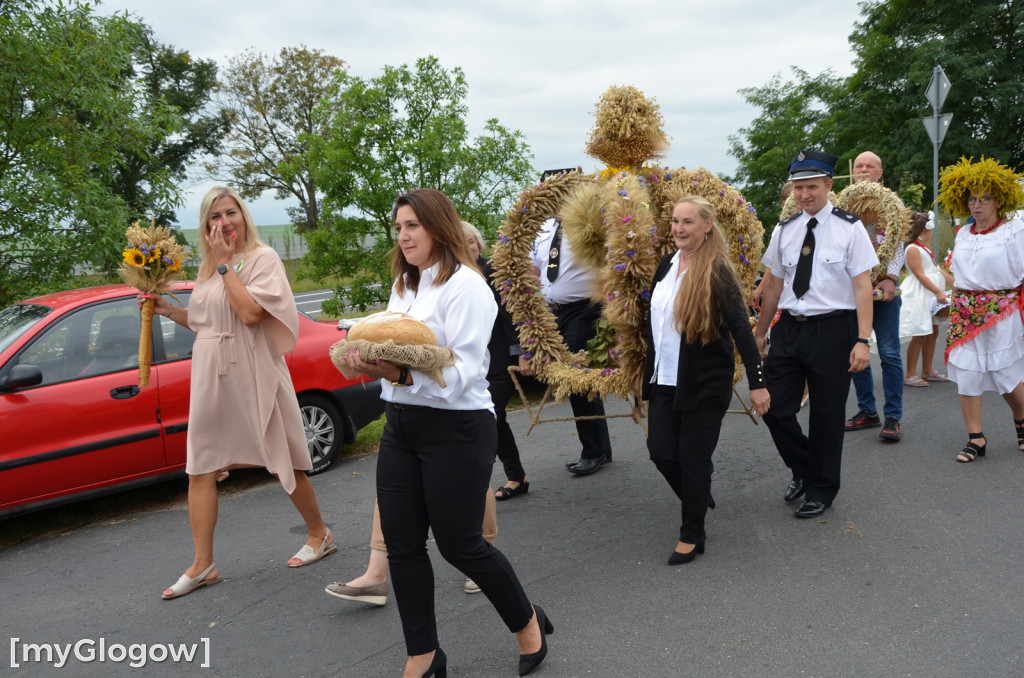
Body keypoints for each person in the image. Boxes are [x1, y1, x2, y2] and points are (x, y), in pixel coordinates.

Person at [338, 188, 552, 678]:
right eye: (399, 227)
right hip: (402, 426)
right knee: (403, 544)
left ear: (438, 226)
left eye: (412, 225)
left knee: (460, 545)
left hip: (459, 427)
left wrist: (397, 373)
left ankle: (529, 623)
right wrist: (367, 360)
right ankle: (424, 656)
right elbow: (396, 350)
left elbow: (460, 376)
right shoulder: (405, 285)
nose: (404, 235)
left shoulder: (469, 288)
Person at [147, 186, 336, 600]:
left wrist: (227, 266)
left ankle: (319, 533)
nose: (224, 222)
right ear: (206, 225)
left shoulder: (260, 259)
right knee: (200, 466)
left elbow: (250, 314)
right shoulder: (208, 267)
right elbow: (206, 322)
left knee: (282, 457)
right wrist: (170, 310)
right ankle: (203, 564)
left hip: (254, 369)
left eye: (230, 212)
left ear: (244, 216)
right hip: (212, 375)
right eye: (215, 217)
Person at [643, 196, 770, 564]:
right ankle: (697, 495)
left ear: (707, 225)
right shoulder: (667, 264)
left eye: (687, 222)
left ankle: (692, 533)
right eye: (675, 222)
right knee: (661, 452)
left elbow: (740, 331)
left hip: (704, 381)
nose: (679, 229)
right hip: (664, 378)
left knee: (693, 458)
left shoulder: (718, 271)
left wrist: (757, 382)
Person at [754, 150, 877, 519]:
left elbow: (862, 287)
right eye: (797, 187)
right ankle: (804, 467)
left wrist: (862, 340)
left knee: (825, 414)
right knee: (773, 406)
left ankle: (821, 489)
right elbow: (774, 287)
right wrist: (759, 333)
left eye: (811, 187)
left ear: (828, 185)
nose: (804, 195)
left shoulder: (849, 227)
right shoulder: (784, 230)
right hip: (791, 328)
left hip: (834, 330)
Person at [936, 157, 1024, 463]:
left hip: (1001, 310)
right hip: (964, 311)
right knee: (968, 373)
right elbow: (959, 272)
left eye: (984, 198)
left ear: (999, 200)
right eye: (972, 198)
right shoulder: (963, 234)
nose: (977, 205)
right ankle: (976, 438)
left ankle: (1022, 419)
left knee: (1004, 375)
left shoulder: (1014, 230)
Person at [520, 197, 614, 475]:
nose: (555, 204)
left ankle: (593, 451)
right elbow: (535, 269)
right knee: (578, 378)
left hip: (585, 308)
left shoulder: (589, 222)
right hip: (553, 311)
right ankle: (601, 449)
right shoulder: (543, 228)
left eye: (560, 198)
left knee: (576, 377)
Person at [463, 221, 530, 500]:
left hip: (501, 358)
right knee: (494, 419)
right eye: (461, 242)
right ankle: (517, 476)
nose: (468, 248)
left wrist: (523, 354)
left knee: (491, 418)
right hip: (475, 361)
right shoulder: (456, 276)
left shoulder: (495, 273)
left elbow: (511, 317)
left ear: (479, 243)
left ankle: (478, 486)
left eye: (471, 241)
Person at [845, 151, 906, 442]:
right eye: (859, 166)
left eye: (870, 166)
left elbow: (897, 243)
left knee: (890, 354)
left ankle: (893, 417)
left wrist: (890, 277)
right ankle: (867, 411)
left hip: (883, 294)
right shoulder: (843, 205)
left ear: (880, 173)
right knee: (855, 351)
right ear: (853, 172)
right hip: (854, 294)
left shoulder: (891, 204)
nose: (864, 170)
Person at [898, 211, 954, 386]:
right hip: (920, 294)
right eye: (930, 230)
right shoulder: (912, 248)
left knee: (933, 330)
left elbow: (936, 270)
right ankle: (910, 374)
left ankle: (927, 370)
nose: (931, 233)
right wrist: (938, 292)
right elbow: (920, 275)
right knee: (921, 333)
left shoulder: (925, 248)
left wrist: (955, 282)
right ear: (924, 231)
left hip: (929, 294)